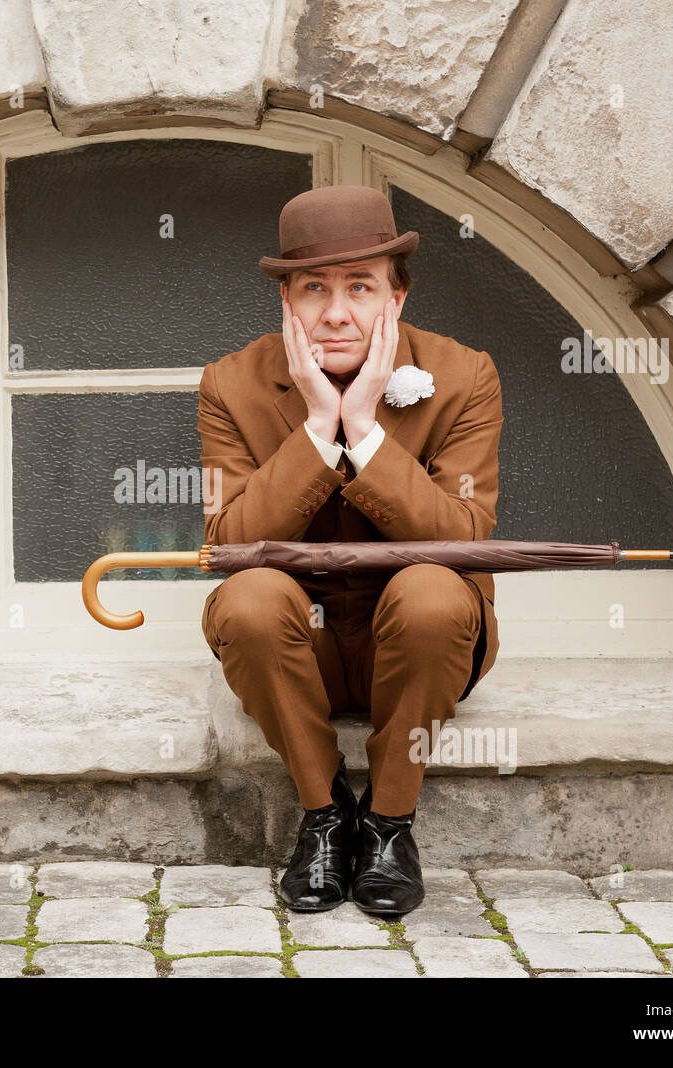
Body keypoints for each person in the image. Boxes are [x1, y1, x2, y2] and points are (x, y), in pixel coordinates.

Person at [197, 185, 503, 915]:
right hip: (298, 652)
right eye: (314, 290)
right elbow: (230, 542)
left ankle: (391, 824)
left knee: (432, 591)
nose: (336, 312)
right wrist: (315, 426)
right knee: (246, 597)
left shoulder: (465, 377)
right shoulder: (229, 385)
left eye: (360, 287)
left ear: (395, 300)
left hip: (425, 647)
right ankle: (327, 814)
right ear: (288, 305)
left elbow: (463, 538)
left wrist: (363, 428)